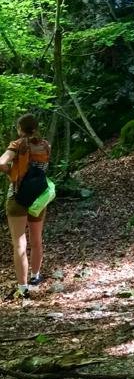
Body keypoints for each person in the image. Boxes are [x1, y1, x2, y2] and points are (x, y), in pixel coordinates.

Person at [0, 114, 51, 299]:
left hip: (17, 197)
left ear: (19, 128)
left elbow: (1, 163)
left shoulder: (17, 145)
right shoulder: (45, 146)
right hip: (38, 198)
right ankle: (35, 277)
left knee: (19, 244)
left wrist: (10, 172)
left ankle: (23, 288)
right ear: (35, 128)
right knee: (36, 239)